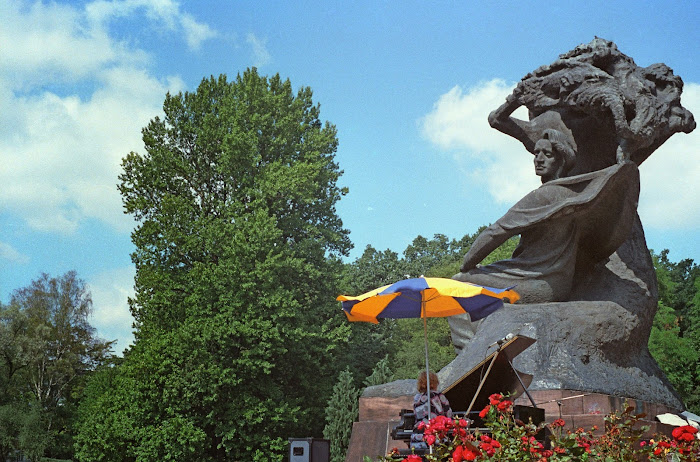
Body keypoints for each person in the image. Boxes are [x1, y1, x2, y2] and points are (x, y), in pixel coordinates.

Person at [410, 371, 452, 450]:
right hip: (435, 437)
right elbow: (448, 415)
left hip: (418, 438)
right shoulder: (440, 396)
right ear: (435, 382)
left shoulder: (417, 399)